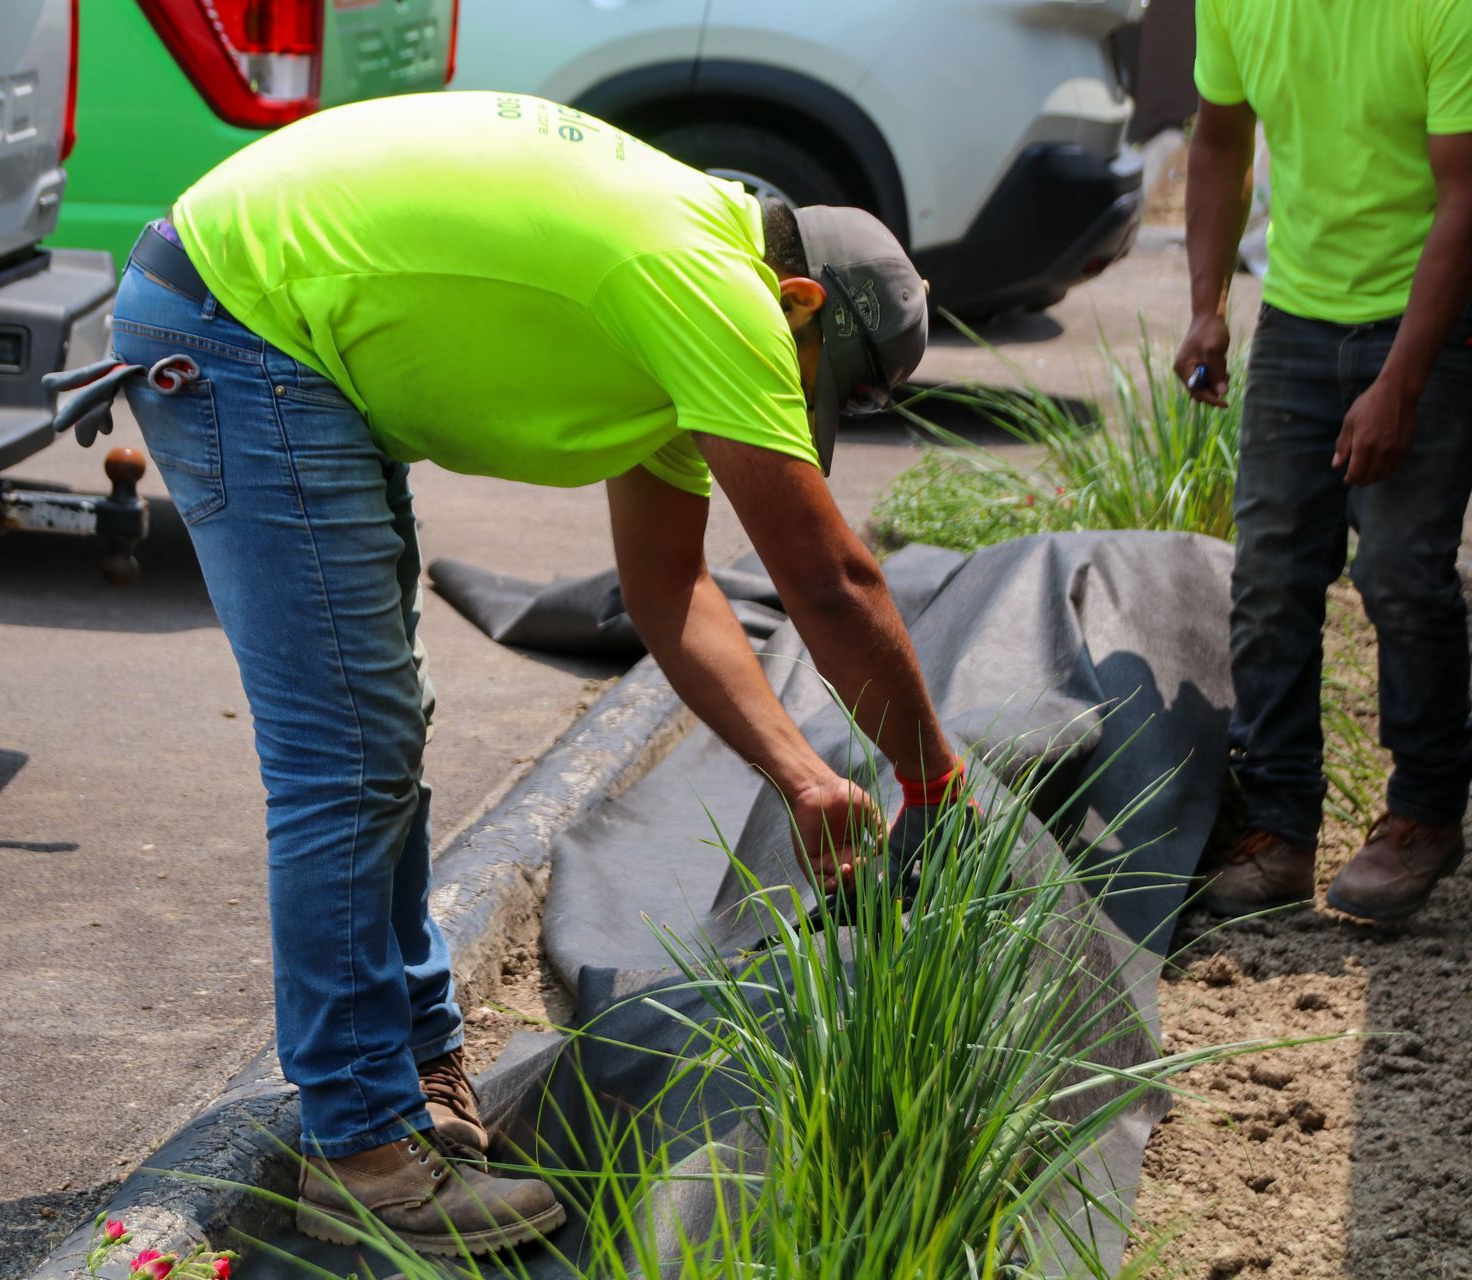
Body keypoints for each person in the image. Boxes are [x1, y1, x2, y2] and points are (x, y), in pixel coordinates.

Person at [109, 91, 961, 1252]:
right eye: (806, 378)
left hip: (279, 326)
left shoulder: (691, 295)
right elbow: (831, 585)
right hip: (239, 321)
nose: (786, 405)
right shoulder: (711, 288)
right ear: (798, 301)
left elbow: (671, 592)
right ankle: (366, 1149)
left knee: (385, 728)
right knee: (346, 749)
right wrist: (938, 777)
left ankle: (409, 1068)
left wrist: (803, 772)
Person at [1176, 0, 1472, 921]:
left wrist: (1400, 384)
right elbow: (1221, 139)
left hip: (1454, 308)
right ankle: (1279, 827)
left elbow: (1467, 199)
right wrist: (1208, 302)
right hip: (1305, 307)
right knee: (1270, 571)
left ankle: (1425, 810)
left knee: (1402, 571)